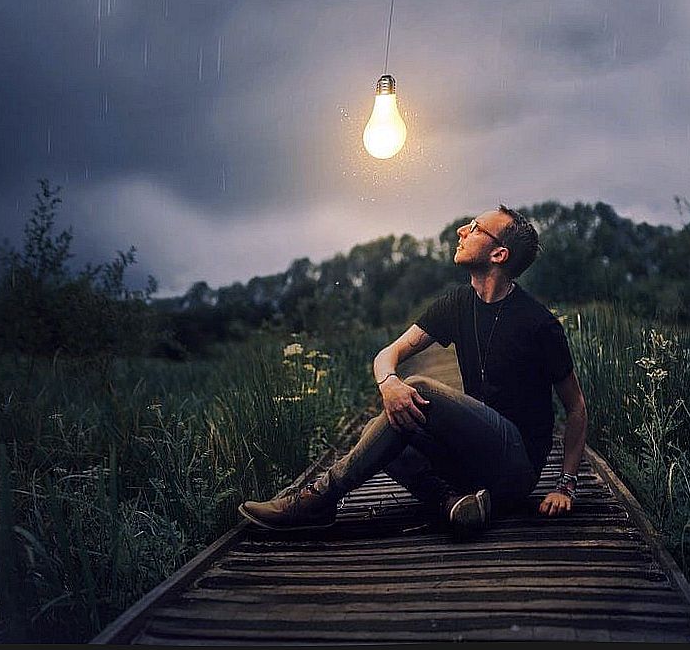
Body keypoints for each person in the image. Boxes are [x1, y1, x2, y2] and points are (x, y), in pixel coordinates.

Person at [240, 205, 588, 536]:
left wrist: (565, 487)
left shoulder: (538, 323)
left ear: (499, 255)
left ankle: (316, 499)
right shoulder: (456, 304)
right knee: (387, 423)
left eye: (476, 228)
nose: (461, 230)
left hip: (515, 468)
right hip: (472, 467)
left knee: (419, 387)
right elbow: (388, 353)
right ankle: (452, 504)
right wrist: (389, 383)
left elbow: (576, 408)